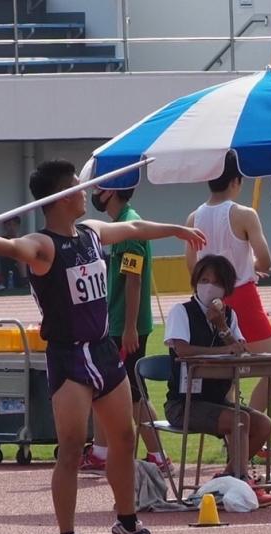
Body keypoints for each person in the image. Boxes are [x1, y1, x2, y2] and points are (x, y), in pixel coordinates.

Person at [0, 159, 206, 534]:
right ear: (58, 197)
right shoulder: (43, 245)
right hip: (70, 357)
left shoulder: (91, 233)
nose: (86, 191)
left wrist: (175, 229)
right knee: (71, 448)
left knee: (124, 440)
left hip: (104, 351)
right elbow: (16, 247)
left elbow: (135, 229)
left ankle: (127, 523)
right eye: (77, 186)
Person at [186, 151, 271, 457]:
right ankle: (252, 423)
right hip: (241, 294)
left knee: (228, 370)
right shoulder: (244, 214)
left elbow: (192, 267)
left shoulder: (193, 219)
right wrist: (251, 265)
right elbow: (266, 258)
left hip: (208, 299)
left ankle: (234, 431)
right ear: (237, 181)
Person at [163, 255, 271, 504]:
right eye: (204, 280)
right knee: (239, 420)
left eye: (216, 282)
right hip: (185, 403)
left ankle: (227, 480)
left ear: (225, 288)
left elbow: (240, 349)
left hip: (217, 400)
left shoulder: (229, 315)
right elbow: (182, 350)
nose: (209, 287)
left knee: (263, 425)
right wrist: (223, 351)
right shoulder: (181, 312)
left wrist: (222, 325)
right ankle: (241, 481)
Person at [80, 187, 170, 475]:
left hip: (126, 325)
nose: (94, 194)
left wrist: (130, 327)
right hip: (118, 322)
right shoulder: (120, 225)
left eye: (99, 189)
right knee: (106, 390)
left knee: (132, 394)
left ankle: (157, 454)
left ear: (113, 192)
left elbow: (134, 280)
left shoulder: (130, 228)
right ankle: (101, 451)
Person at [0, 216, 30, 287]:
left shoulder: (23, 240)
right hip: (9, 270)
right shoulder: (2, 239)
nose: (12, 227)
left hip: (24, 268)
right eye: (9, 225)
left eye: (14, 225)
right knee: (20, 257)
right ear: (5, 226)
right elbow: (2, 254)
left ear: (18, 226)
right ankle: (24, 281)